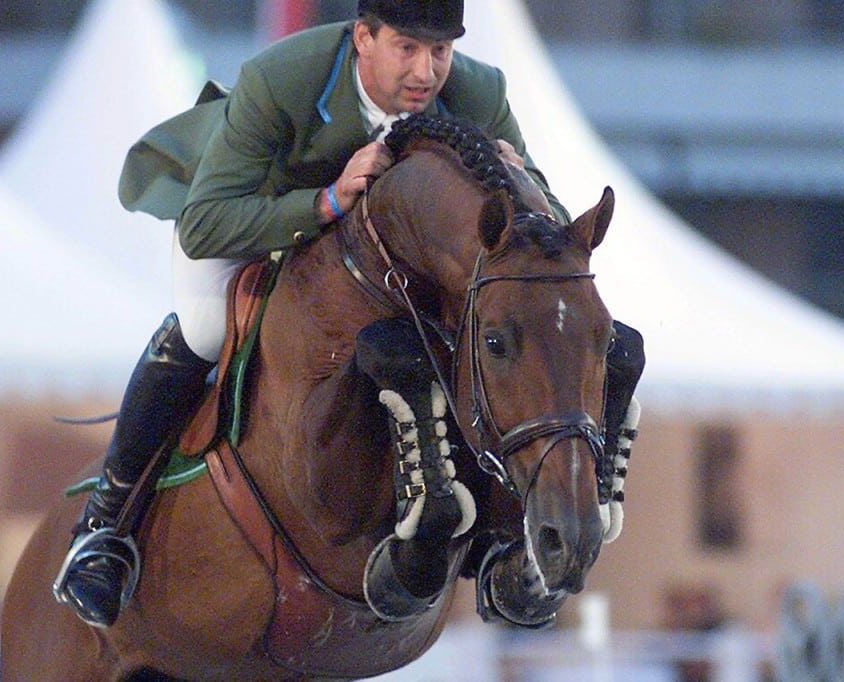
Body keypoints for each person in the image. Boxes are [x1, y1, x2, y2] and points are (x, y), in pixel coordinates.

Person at [53, 0, 575, 629]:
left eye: (440, 51)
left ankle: (494, 532)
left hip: (386, 261)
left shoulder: (480, 89)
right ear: (363, 37)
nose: (427, 70)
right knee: (206, 328)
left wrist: (527, 188)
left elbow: (546, 217)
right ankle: (106, 529)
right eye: (406, 48)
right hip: (260, 213)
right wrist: (327, 198)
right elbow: (205, 224)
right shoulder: (284, 78)